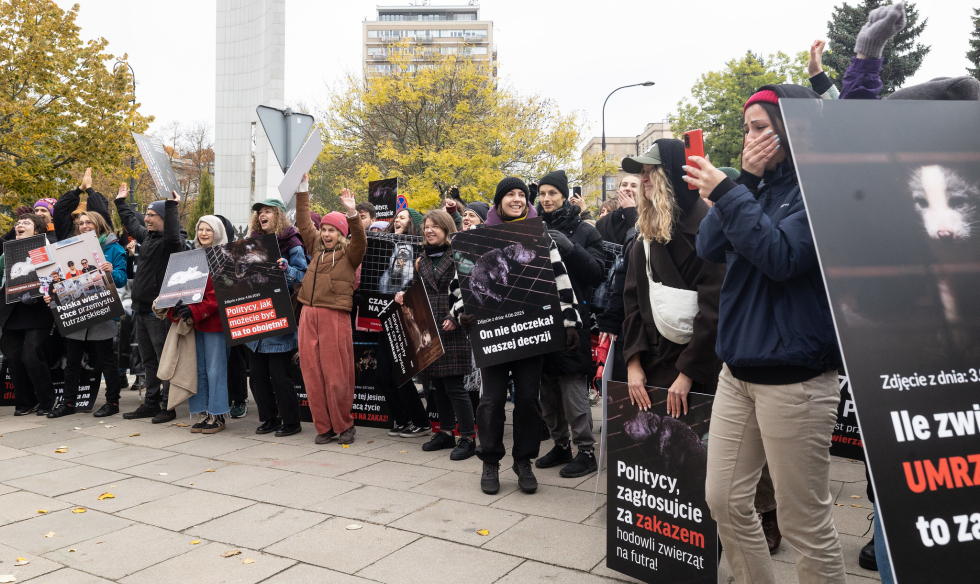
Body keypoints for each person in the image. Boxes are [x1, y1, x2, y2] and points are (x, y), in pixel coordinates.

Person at [690, 83, 846, 584]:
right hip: (739, 371)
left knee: (804, 523)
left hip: (796, 379)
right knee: (724, 500)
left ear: (790, 129)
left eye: (760, 128)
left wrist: (733, 190)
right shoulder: (756, 186)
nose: (749, 139)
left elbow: (782, 258)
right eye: (746, 129)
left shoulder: (820, 187)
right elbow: (710, 247)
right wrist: (743, 183)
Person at [449, 177, 582, 495]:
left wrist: (570, 321)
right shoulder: (478, 237)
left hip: (531, 334)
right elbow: (459, 281)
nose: (517, 199)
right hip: (492, 336)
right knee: (491, 401)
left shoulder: (540, 235)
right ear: (498, 201)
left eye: (522, 194)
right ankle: (490, 461)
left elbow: (559, 276)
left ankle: (524, 460)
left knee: (527, 400)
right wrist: (460, 311)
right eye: (510, 194)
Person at [619, 138, 725, 417]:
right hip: (649, 368)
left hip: (697, 369)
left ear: (673, 175)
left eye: (650, 171)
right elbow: (632, 302)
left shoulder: (711, 228)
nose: (643, 179)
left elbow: (714, 310)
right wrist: (633, 364)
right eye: (641, 172)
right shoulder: (646, 230)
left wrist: (688, 373)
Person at [534, 170, 604, 478]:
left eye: (553, 193)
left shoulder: (585, 230)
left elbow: (597, 272)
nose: (547, 199)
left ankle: (585, 450)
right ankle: (561, 445)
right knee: (546, 387)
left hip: (573, 321)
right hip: (539, 318)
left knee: (572, 386)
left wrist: (571, 248)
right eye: (543, 193)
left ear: (564, 196)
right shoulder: (532, 227)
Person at [397, 210, 476, 460]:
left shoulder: (459, 255)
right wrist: (403, 296)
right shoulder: (421, 259)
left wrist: (454, 316)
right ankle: (445, 433)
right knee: (437, 386)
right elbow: (416, 289)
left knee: (454, 386)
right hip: (428, 326)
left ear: (446, 228)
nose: (429, 230)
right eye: (427, 227)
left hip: (451, 325)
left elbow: (468, 289)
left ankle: (467, 437)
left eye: (435, 227)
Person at [293, 176, 365, 444]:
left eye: (332, 230)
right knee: (312, 375)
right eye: (323, 229)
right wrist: (303, 191)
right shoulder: (314, 249)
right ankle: (323, 427)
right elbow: (302, 222)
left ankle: (344, 425)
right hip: (308, 316)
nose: (325, 234)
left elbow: (360, 239)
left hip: (334, 316)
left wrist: (352, 214)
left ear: (341, 235)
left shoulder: (350, 256)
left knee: (336, 376)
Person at [47, 202, 128, 419]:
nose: (83, 225)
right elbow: (58, 278)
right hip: (76, 310)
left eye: (88, 222)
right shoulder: (68, 248)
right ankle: (69, 403)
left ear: (99, 225)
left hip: (102, 309)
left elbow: (121, 281)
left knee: (106, 360)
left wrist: (111, 272)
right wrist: (51, 293)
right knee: (72, 361)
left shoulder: (114, 249)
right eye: (81, 223)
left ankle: (112, 402)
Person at [116, 186, 185, 423]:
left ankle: (168, 406)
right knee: (148, 361)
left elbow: (174, 235)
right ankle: (151, 402)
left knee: (163, 359)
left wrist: (172, 206)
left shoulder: (171, 243)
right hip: (141, 309)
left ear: (164, 219)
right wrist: (120, 203)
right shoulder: (148, 237)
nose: (146, 219)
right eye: (146, 214)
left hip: (159, 313)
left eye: (151, 215)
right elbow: (132, 225)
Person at [248, 198, 308, 438]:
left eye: (268, 211)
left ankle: (292, 421)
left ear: (279, 215)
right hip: (255, 317)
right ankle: (269, 418)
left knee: (280, 376)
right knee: (258, 376)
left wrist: (287, 270)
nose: (262, 215)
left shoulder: (292, 243)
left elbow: (303, 277)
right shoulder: (252, 244)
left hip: (278, 318)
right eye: (260, 212)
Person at [170, 216, 230, 433]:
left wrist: (195, 309)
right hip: (196, 322)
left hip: (215, 322)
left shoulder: (225, 257)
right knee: (199, 369)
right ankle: (204, 413)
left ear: (218, 232)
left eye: (209, 230)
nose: (203, 233)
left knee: (215, 370)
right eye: (200, 229)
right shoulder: (192, 257)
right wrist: (174, 304)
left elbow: (221, 293)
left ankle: (218, 415)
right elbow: (181, 285)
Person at [0, 214, 56, 416]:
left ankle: (47, 401)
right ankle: (25, 402)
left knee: (31, 354)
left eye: (26, 223)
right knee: (13, 358)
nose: (19, 225)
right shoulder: (7, 251)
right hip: (12, 311)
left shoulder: (45, 249)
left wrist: (39, 293)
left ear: (38, 230)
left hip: (37, 309)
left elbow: (53, 276)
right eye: (17, 223)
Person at [595, 174, 640, 245]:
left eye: (634, 186)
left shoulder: (649, 217)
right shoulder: (605, 222)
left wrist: (630, 210)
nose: (627, 188)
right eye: (624, 185)